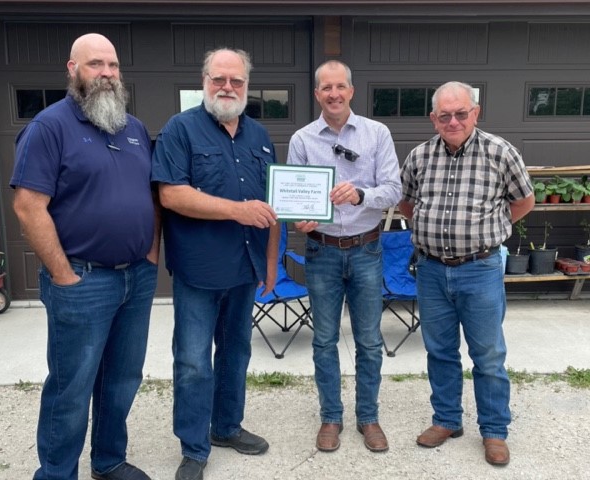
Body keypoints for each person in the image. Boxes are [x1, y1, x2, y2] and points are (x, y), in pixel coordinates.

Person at [10, 33, 160, 480]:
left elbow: (151, 198)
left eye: (113, 66)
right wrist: (62, 273)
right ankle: (57, 473)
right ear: (72, 69)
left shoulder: (133, 129)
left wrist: (150, 254)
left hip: (136, 278)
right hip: (82, 279)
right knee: (71, 387)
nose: (107, 74)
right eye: (96, 65)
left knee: (121, 379)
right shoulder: (48, 127)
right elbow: (27, 205)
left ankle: (108, 461)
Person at [151, 48, 280, 480]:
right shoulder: (180, 130)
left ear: (247, 85)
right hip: (199, 271)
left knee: (236, 353)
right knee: (192, 360)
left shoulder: (260, 135)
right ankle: (193, 446)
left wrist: (271, 262)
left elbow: (274, 204)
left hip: (245, 269)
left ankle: (226, 427)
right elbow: (170, 194)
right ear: (204, 80)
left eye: (237, 81)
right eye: (219, 79)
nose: (228, 87)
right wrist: (236, 210)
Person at [398, 81, 535, 466]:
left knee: (488, 354)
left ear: (475, 112)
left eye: (461, 113)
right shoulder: (420, 156)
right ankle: (446, 420)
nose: (453, 121)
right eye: (445, 115)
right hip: (431, 270)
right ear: (433, 118)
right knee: (440, 351)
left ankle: (494, 431)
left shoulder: (500, 152)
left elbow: (525, 201)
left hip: (480, 268)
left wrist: (488, 229)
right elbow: (407, 204)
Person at [286, 60, 402, 453]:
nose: (333, 94)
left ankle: (368, 417)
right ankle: (330, 417)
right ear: (317, 94)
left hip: (367, 248)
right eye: (325, 88)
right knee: (323, 340)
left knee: (369, 341)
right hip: (321, 250)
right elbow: (294, 193)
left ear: (351, 91)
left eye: (340, 87)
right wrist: (300, 218)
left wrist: (361, 195)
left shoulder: (377, 134)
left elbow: (394, 189)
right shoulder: (303, 139)